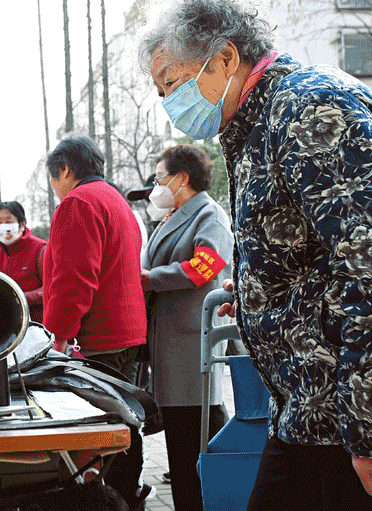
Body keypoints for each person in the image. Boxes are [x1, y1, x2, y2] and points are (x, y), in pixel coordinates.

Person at [139, 1, 372, 509]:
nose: (168, 102)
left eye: (172, 83)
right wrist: (256, 295)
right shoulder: (261, 119)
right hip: (319, 401)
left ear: (223, 58)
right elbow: (319, 254)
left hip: (370, 405)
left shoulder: (307, 110)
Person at [42, 134, 149, 510]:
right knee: (124, 419)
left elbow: (75, 278)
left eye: (53, 179)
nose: (55, 189)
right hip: (127, 330)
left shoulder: (78, 202)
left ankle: (113, 497)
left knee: (105, 428)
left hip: (100, 334)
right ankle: (130, 493)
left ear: (66, 170)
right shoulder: (116, 200)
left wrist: (59, 337)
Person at [140, 144, 233, 511]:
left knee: (193, 446)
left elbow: (207, 265)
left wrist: (153, 279)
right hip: (172, 344)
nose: (156, 187)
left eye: (160, 178)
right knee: (180, 447)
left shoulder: (210, 214)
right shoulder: (174, 215)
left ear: (181, 179)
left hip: (192, 347)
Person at [0, 201, 48, 323]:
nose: (4, 226)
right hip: (3, 323)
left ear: (22, 224)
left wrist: (19, 298)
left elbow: (50, 289)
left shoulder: (40, 248)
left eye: (8, 222)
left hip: (36, 325)